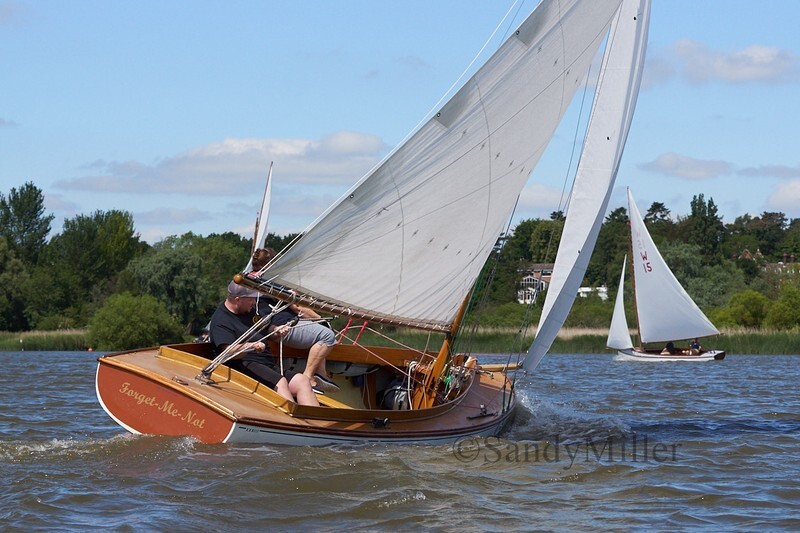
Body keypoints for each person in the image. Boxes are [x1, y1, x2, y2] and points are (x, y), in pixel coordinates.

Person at [209, 280, 319, 407]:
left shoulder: (250, 310)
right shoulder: (221, 320)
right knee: (281, 382)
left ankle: (319, 424)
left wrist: (277, 330)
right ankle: (294, 423)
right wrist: (251, 346)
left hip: (266, 363)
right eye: (251, 299)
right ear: (237, 299)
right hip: (243, 366)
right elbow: (228, 351)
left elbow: (267, 328)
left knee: (302, 380)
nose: (254, 302)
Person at [251, 247, 340, 393]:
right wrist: (322, 319)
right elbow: (299, 309)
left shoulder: (249, 280)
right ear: (273, 264)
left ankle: (322, 375)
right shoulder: (274, 281)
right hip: (281, 328)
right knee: (327, 335)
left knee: (319, 329)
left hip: (264, 328)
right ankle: (309, 378)